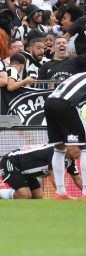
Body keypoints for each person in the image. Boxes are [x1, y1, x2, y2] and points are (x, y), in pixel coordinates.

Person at [0, 144, 82, 200]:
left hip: (26, 172)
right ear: (70, 147)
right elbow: (54, 178)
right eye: (80, 149)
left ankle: (2, 192)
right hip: (11, 162)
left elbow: (78, 178)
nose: (81, 152)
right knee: (25, 195)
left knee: (38, 197)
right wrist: (63, 195)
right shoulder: (55, 153)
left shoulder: (70, 159)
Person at [44, 72, 86, 200]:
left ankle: (61, 193)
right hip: (67, 104)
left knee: (59, 148)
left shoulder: (81, 74)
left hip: (50, 102)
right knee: (84, 147)